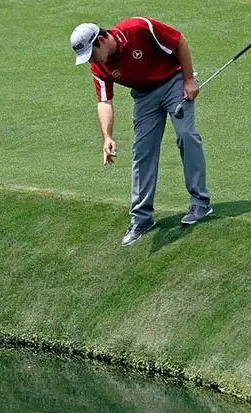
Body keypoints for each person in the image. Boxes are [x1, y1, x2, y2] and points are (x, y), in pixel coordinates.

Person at [70, 18, 213, 247]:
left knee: (186, 135)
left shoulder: (138, 29)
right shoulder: (98, 65)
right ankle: (141, 219)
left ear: (101, 40)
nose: (91, 61)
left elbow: (179, 41)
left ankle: (200, 203)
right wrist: (107, 136)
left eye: (91, 54)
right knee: (142, 151)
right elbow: (104, 101)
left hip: (174, 82)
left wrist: (188, 79)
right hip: (144, 96)